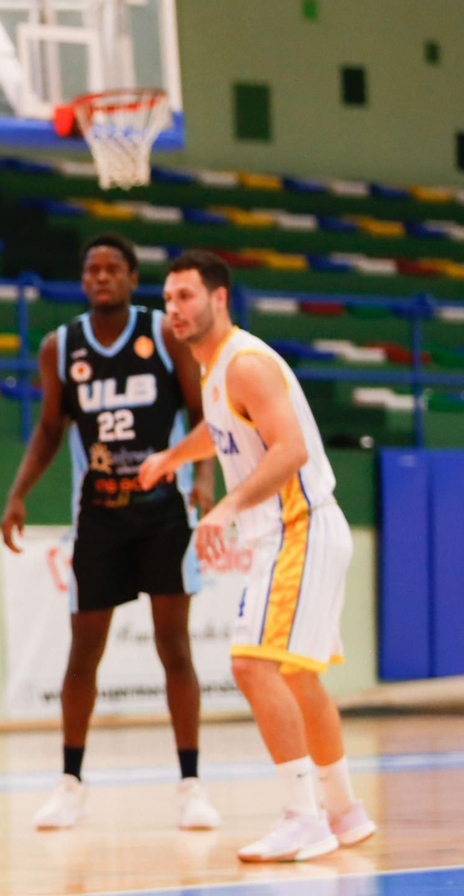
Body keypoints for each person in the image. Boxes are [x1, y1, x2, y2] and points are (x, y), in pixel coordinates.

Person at [139, 250, 377, 862]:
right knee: (296, 673)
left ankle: (304, 817)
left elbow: (290, 449)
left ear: (220, 298)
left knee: (252, 665)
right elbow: (220, 430)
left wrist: (222, 507)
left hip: (297, 525)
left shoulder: (245, 363)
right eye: (168, 300)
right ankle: (344, 812)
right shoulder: (217, 368)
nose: (175, 310)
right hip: (298, 530)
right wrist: (172, 458)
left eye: (186, 297)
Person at [0, 233, 220, 831]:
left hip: (163, 512)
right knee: (82, 656)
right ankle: (70, 783)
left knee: (175, 648)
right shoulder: (59, 346)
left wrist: (204, 478)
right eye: (91, 269)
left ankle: (191, 785)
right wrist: (18, 494)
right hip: (97, 515)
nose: (100, 277)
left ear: (130, 277)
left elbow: (203, 417)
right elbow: (49, 430)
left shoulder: (166, 334)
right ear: (83, 279)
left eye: (112, 269)